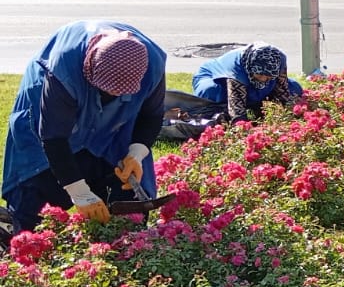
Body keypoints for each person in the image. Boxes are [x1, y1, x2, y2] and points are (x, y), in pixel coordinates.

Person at [2, 21, 167, 233]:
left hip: (114, 126)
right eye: (108, 91)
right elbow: (54, 137)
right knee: (33, 206)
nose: (115, 96)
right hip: (49, 111)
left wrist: (136, 154)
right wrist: (79, 191)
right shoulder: (63, 68)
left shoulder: (151, 64)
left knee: (124, 196)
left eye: (121, 92)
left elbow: (151, 116)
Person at [192, 43, 303, 123]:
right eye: (260, 75)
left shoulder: (280, 59)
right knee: (211, 90)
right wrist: (244, 128)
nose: (264, 79)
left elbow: (283, 91)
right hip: (215, 77)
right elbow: (237, 110)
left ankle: (255, 101)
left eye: (269, 76)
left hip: (247, 84)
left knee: (295, 88)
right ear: (251, 69)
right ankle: (221, 108)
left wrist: (292, 115)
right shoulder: (236, 69)